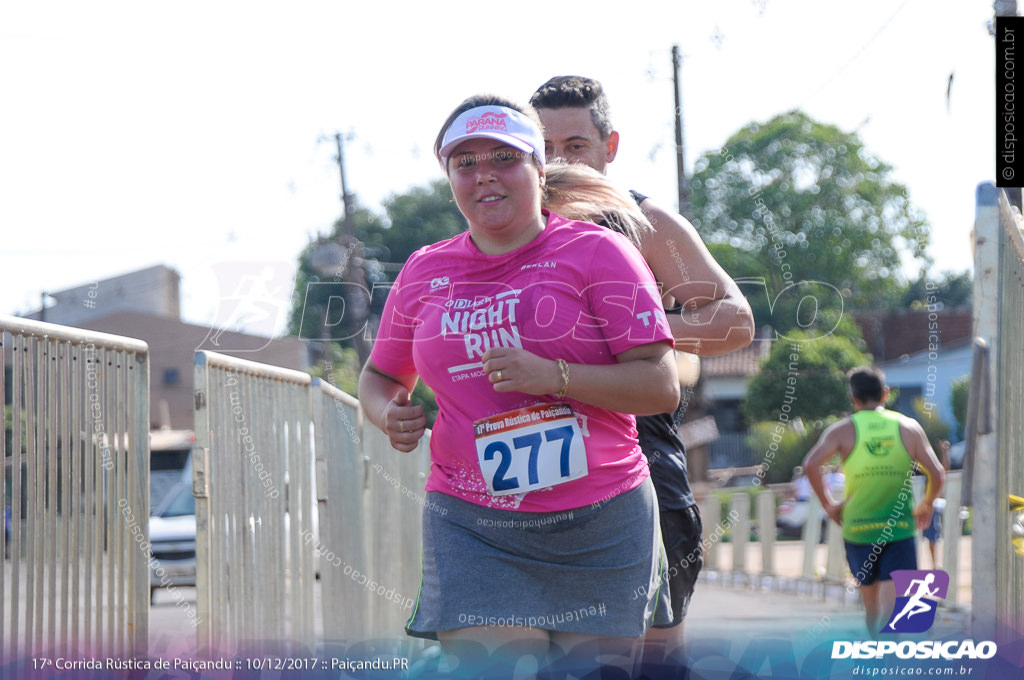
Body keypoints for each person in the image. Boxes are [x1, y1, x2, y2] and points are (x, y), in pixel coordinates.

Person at [358, 94, 681, 676]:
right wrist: (388, 413)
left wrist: (553, 377)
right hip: (474, 524)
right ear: (449, 176)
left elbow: (660, 385)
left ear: (537, 165)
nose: (484, 174)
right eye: (465, 162)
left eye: (504, 157)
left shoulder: (598, 253)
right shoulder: (423, 271)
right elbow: (381, 377)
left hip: (601, 519)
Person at [531, 75, 755, 663]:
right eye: (542, 146)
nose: (557, 161)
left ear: (610, 147)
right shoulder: (495, 230)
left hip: (641, 460)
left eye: (575, 146)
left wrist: (635, 334)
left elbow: (734, 321)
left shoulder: (644, 221)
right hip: (532, 472)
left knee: (655, 657)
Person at [803, 366, 945, 637]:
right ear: (886, 394)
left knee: (872, 609)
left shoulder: (842, 431)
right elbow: (937, 473)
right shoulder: (908, 427)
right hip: (899, 530)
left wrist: (829, 505)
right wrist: (926, 504)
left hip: (859, 531)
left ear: (853, 398)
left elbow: (811, 464)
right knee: (894, 609)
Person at [922, 440, 952, 568]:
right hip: (918, 506)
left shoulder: (932, 469)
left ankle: (935, 564)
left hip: (930, 506)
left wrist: (944, 452)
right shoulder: (921, 467)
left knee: (932, 537)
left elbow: (944, 469)